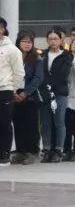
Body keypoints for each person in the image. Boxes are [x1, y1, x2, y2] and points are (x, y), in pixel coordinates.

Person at [11, 31, 45, 165]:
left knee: (31, 125)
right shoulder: (13, 56)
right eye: (24, 41)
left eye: (30, 42)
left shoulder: (37, 58)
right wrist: (14, 92)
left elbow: (38, 78)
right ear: (18, 42)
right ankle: (21, 151)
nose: (27, 44)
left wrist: (25, 93)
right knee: (18, 124)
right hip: (14, 94)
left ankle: (33, 152)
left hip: (31, 95)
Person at [40, 28, 71, 163]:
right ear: (47, 40)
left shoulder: (66, 55)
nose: (53, 41)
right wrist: (45, 86)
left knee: (59, 121)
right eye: (50, 39)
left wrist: (50, 84)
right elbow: (40, 73)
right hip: (44, 93)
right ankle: (46, 149)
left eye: (56, 39)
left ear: (61, 40)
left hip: (60, 92)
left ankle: (59, 150)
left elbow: (63, 74)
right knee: (45, 122)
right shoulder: (42, 55)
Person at [0, 18, 25, 166]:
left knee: (4, 123)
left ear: (3, 29)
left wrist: (12, 89)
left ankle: (4, 153)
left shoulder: (12, 50)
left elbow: (19, 73)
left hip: (5, 90)